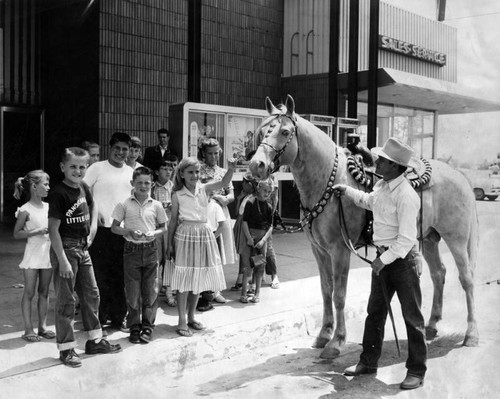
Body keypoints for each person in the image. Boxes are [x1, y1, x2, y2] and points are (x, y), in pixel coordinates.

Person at [332, 137, 427, 390]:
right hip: (383, 260)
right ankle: (368, 362)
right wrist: (346, 190)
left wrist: (381, 261)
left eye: (383, 161)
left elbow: (406, 240)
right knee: (375, 314)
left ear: (395, 167)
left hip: (401, 262)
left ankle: (416, 371)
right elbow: (367, 201)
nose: (378, 163)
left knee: (412, 318)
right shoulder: (383, 187)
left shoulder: (406, 195)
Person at [48, 147, 122, 368]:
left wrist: (92, 231)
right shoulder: (59, 193)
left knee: (92, 295)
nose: (78, 171)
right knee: (66, 300)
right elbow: (52, 230)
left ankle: (95, 340)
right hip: (66, 250)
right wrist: (61, 259)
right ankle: (66, 348)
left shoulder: (84, 187)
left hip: (83, 249)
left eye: (82, 167)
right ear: (63, 167)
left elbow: (93, 204)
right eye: (73, 166)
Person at [167, 156, 236, 337]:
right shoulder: (177, 194)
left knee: (198, 278)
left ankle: (191, 317)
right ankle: (181, 320)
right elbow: (173, 220)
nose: (194, 175)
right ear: (181, 174)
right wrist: (169, 244)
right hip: (184, 236)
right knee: (184, 281)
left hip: (203, 235)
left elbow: (224, 181)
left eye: (197, 172)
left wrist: (231, 168)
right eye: (190, 172)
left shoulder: (204, 189)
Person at [111, 166, 167, 344]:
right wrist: (128, 231)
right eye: (139, 183)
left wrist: (154, 233)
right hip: (131, 250)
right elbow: (114, 227)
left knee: (150, 291)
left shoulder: (156, 205)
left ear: (152, 184)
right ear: (132, 183)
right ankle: (134, 327)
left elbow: (163, 228)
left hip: (151, 250)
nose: (143, 186)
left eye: (147, 183)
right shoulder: (124, 204)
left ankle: (148, 326)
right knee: (133, 292)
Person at [83, 132, 134, 332]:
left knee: (120, 276)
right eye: (117, 148)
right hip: (101, 232)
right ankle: (100, 319)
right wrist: (93, 213)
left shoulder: (130, 172)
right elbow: (82, 191)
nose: (120, 153)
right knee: (100, 277)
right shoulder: (97, 168)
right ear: (110, 148)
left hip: (122, 231)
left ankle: (118, 317)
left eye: (124, 149)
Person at [13, 170, 54, 343]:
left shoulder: (49, 207)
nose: (48, 187)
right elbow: (16, 233)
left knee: (44, 292)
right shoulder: (25, 210)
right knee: (29, 292)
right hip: (32, 255)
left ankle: (42, 327)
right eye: (45, 184)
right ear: (34, 186)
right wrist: (36, 231)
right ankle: (28, 328)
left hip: (47, 254)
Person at [197, 138, 237, 309]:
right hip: (205, 212)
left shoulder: (223, 171)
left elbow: (231, 194)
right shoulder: (198, 170)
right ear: (203, 154)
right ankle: (204, 289)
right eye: (210, 153)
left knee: (219, 251)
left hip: (221, 212)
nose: (213, 156)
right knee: (206, 252)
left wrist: (224, 199)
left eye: (216, 153)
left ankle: (216, 289)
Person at [239, 178, 274, 304]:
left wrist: (263, 240)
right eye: (264, 190)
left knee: (259, 267)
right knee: (247, 267)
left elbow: (270, 226)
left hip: (261, 240)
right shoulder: (251, 202)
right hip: (250, 238)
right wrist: (248, 238)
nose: (266, 193)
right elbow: (244, 221)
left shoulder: (269, 206)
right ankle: (243, 293)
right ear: (258, 189)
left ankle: (257, 293)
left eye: (269, 191)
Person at [152, 156, 178, 307]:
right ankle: (154, 293)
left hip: (170, 227)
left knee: (169, 258)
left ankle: (169, 292)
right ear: (157, 171)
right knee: (156, 259)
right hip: (156, 228)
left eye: (170, 168)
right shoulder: (152, 188)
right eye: (164, 168)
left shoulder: (174, 187)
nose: (168, 171)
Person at [231, 172, 257, 291]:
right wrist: (239, 199)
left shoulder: (255, 198)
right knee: (243, 253)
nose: (242, 184)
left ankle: (253, 281)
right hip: (241, 225)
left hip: (249, 228)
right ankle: (241, 278)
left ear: (250, 185)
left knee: (254, 254)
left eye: (244, 183)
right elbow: (237, 213)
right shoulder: (245, 196)